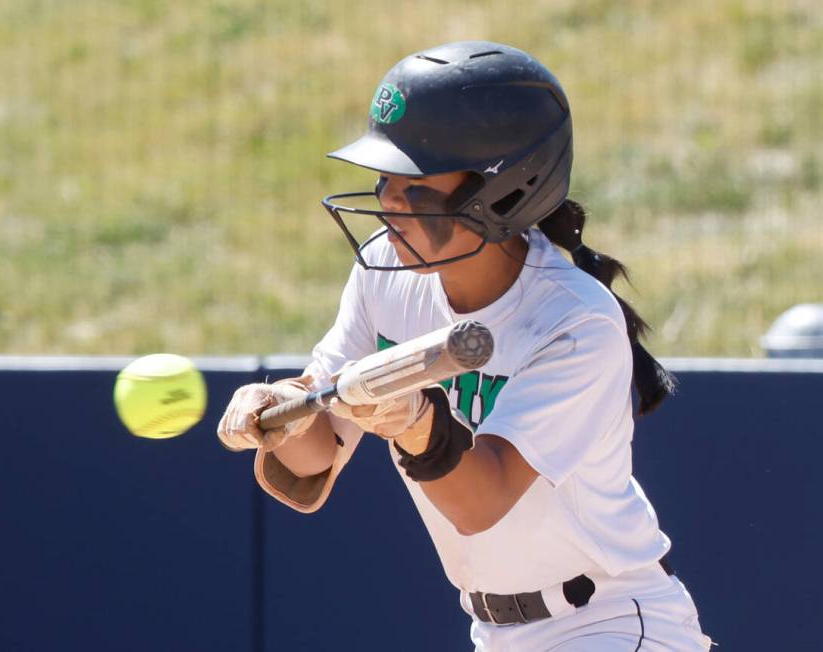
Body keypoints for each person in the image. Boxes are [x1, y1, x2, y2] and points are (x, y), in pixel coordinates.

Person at [218, 40, 711, 651]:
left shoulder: (574, 321)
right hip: (493, 632)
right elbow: (317, 458)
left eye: (416, 183)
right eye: (384, 178)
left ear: (503, 193)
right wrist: (282, 409)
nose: (389, 203)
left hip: (604, 617)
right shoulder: (381, 273)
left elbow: (484, 500)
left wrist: (417, 423)